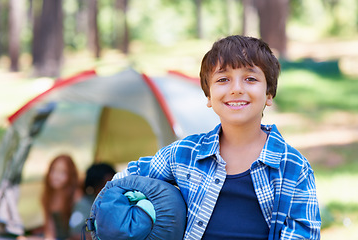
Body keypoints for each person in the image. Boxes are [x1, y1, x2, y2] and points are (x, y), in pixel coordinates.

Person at [112, 35, 321, 239]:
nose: (237, 89)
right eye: (223, 79)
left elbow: (304, 234)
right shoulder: (184, 154)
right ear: (209, 97)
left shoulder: (292, 167)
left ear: (268, 94)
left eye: (250, 78)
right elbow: (124, 180)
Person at [69, 163, 116, 239]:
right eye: (103, 187)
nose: (110, 191)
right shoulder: (84, 205)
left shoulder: (119, 203)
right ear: (93, 187)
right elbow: (75, 234)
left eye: (113, 185)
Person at [42, 154, 79, 240]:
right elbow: (49, 230)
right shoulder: (48, 196)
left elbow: (79, 230)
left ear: (71, 175)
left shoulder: (76, 196)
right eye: (53, 170)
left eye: (63, 172)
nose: (56, 176)